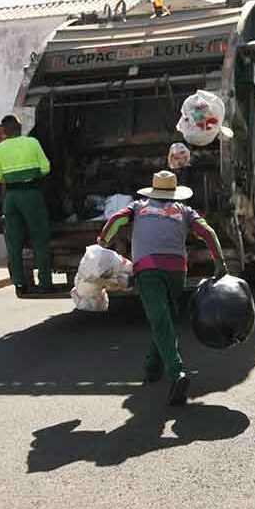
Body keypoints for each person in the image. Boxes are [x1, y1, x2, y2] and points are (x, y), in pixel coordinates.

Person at [97, 170, 226, 406]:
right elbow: (207, 232)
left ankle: (177, 372)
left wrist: (103, 242)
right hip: (176, 269)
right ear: (174, 192)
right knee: (164, 318)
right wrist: (219, 262)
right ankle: (152, 367)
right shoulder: (185, 211)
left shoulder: (137, 207)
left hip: (147, 269)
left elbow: (115, 219)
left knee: (159, 319)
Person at [0, 115, 52, 295]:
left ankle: (19, 283)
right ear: (19, 127)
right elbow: (46, 168)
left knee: (14, 242)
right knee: (40, 239)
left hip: (11, 198)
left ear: (4, 131)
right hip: (31, 194)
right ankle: (45, 283)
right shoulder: (32, 143)